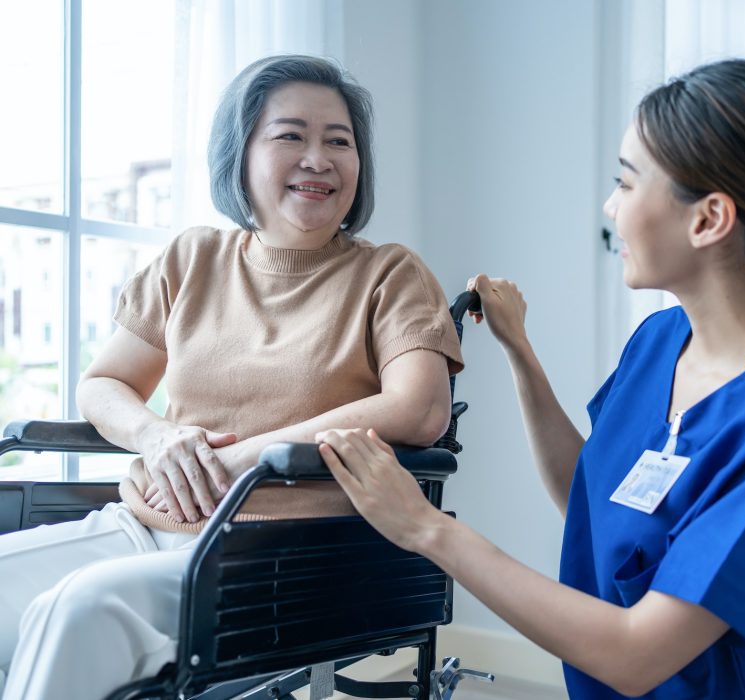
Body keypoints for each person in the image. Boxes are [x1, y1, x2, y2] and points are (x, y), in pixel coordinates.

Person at [318, 58, 745, 699]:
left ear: (708, 219)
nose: (610, 206)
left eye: (626, 183)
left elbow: (636, 655)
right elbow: (590, 499)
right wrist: (519, 351)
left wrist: (427, 529)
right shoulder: (661, 341)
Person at [0, 55, 463, 700]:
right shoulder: (193, 258)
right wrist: (157, 436)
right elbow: (103, 384)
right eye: (291, 135)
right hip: (143, 525)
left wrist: (248, 456)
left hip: (284, 550)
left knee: (79, 608)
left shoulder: (389, 274)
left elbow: (419, 408)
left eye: (339, 142)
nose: (318, 159)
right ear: (239, 154)